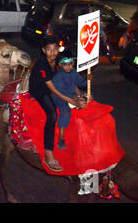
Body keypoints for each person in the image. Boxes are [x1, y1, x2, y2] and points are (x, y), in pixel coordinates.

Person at [28, 35, 82, 172]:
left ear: (58, 49)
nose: (52, 53)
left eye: (55, 49)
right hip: (41, 90)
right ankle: (48, 152)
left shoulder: (59, 60)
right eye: (48, 49)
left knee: (79, 106)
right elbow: (52, 89)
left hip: (57, 86)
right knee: (52, 114)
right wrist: (70, 100)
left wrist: (78, 95)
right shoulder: (42, 64)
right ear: (43, 50)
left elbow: (69, 77)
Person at [50, 50, 88, 150]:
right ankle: (61, 138)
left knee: (89, 97)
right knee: (65, 111)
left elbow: (80, 82)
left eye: (70, 64)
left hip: (72, 93)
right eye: (65, 64)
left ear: (73, 63)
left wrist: (87, 81)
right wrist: (74, 99)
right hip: (59, 96)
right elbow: (61, 92)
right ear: (60, 65)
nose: (68, 66)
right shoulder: (58, 76)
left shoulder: (73, 72)